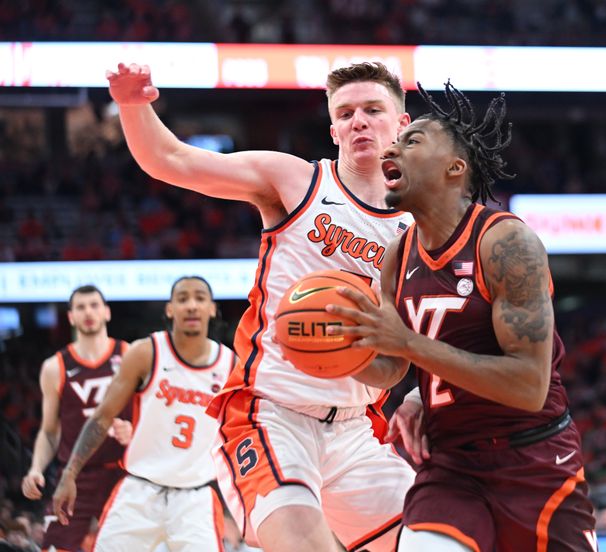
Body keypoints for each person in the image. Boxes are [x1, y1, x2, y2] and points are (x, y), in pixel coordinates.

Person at [104, 61, 416, 551]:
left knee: (437, 542)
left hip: (357, 432)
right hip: (272, 417)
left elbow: (439, 334)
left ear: (402, 123)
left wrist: (417, 397)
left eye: (373, 110)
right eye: (347, 112)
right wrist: (131, 103)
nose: (359, 121)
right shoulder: (296, 183)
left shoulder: (420, 229)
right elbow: (172, 160)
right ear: (332, 128)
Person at [326, 83, 598, 551]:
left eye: (412, 141)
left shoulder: (506, 243)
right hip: (450, 467)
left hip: (533, 458)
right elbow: (391, 367)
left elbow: (529, 386)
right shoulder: (398, 254)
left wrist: (409, 346)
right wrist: (333, 352)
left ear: (455, 168)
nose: (393, 147)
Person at [52, 276, 235, 551]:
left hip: (196, 498)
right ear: (170, 309)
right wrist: (69, 473)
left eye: (199, 298)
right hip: (139, 491)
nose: (191, 306)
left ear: (211, 308)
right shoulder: (146, 352)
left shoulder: (230, 364)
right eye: (182, 299)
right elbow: (102, 417)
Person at [21, 285, 131, 552]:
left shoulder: (129, 355)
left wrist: (133, 429)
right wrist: (35, 468)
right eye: (80, 307)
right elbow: (49, 431)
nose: (88, 312)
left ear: (107, 312)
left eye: (94, 305)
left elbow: (148, 415)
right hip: (75, 477)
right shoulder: (54, 366)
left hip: (123, 474)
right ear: (70, 317)